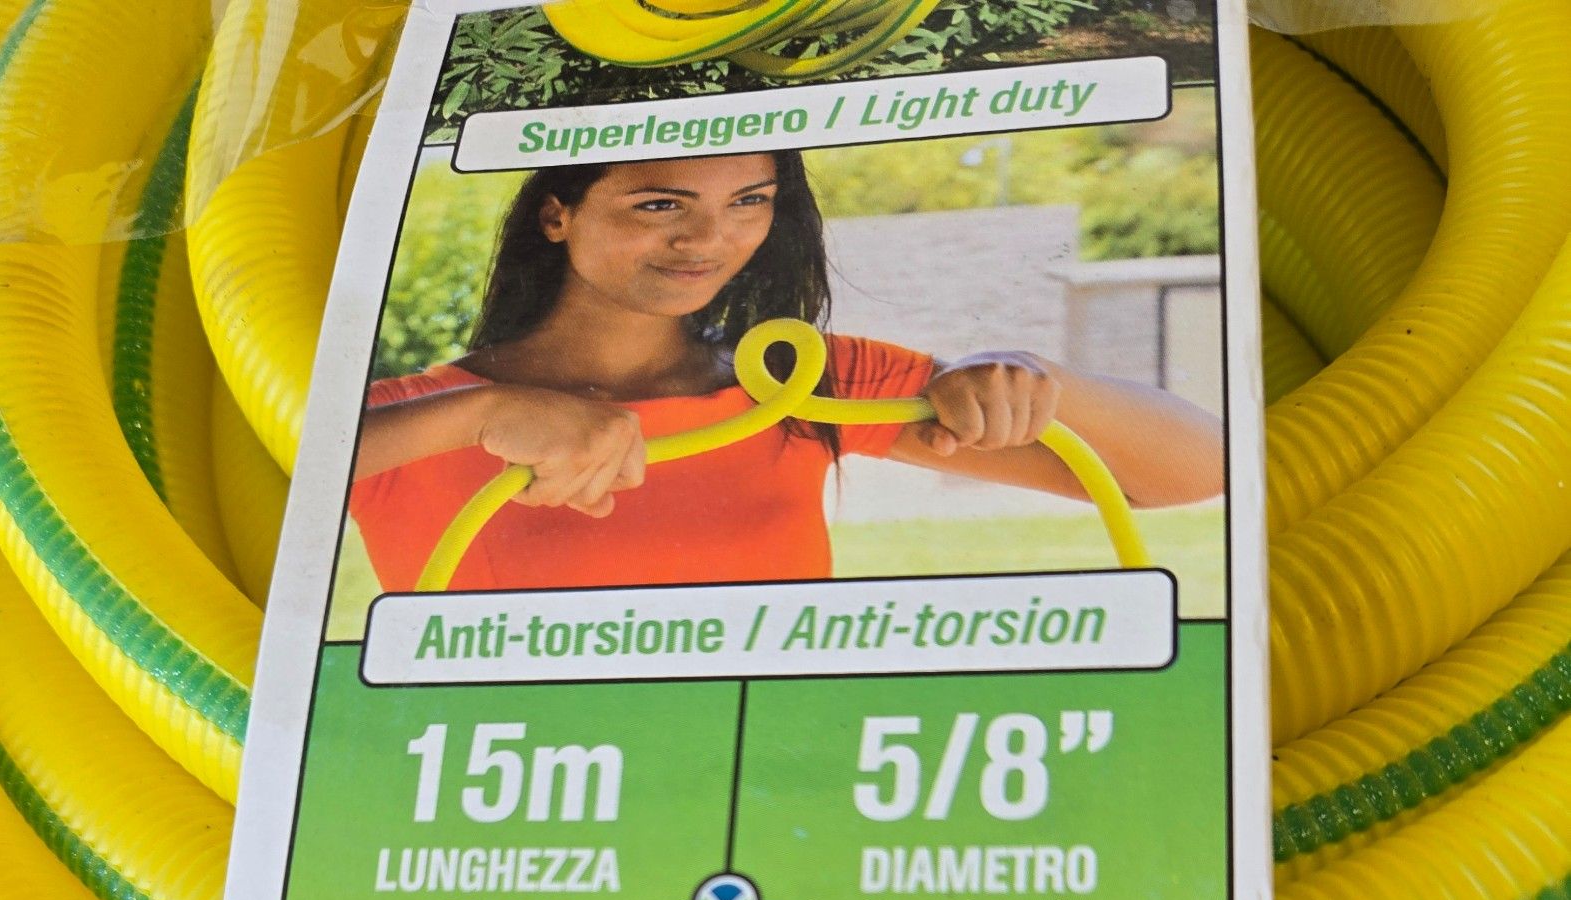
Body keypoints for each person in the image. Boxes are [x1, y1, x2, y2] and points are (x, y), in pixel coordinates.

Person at [350, 150, 1224, 593]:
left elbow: (1194, 471)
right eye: (659, 204)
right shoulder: (403, 419)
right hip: (509, 826)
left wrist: (1035, 379)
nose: (708, 239)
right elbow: (277, 488)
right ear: (556, 215)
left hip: (771, 808)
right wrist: (476, 415)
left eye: (749, 202)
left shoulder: (801, 383)